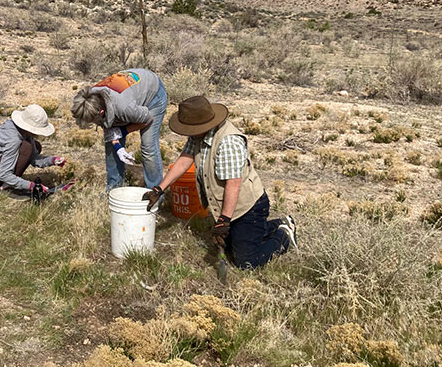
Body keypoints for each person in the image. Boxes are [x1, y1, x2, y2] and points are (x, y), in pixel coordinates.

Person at [143, 96, 296, 269]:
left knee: (246, 262)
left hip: (248, 208)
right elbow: (185, 158)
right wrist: (159, 189)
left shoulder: (228, 142)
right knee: (232, 247)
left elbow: (233, 183)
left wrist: (223, 220)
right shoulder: (198, 134)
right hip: (232, 207)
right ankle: (276, 223)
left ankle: (284, 234)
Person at [70, 68, 167, 191]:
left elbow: (148, 119)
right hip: (128, 96)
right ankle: (114, 189)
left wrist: (122, 131)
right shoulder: (90, 99)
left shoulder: (124, 109)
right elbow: (108, 127)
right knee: (111, 149)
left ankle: (155, 192)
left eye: (92, 121)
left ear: (101, 112)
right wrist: (117, 147)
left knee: (148, 147)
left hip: (153, 95)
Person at [0, 104, 66, 197]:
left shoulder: (22, 131)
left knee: (35, 146)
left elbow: (34, 159)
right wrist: (30, 186)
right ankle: (6, 188)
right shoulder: (13, 139)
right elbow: (4, 174)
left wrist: (53, 160)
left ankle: (7, 185)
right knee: (26, 148)